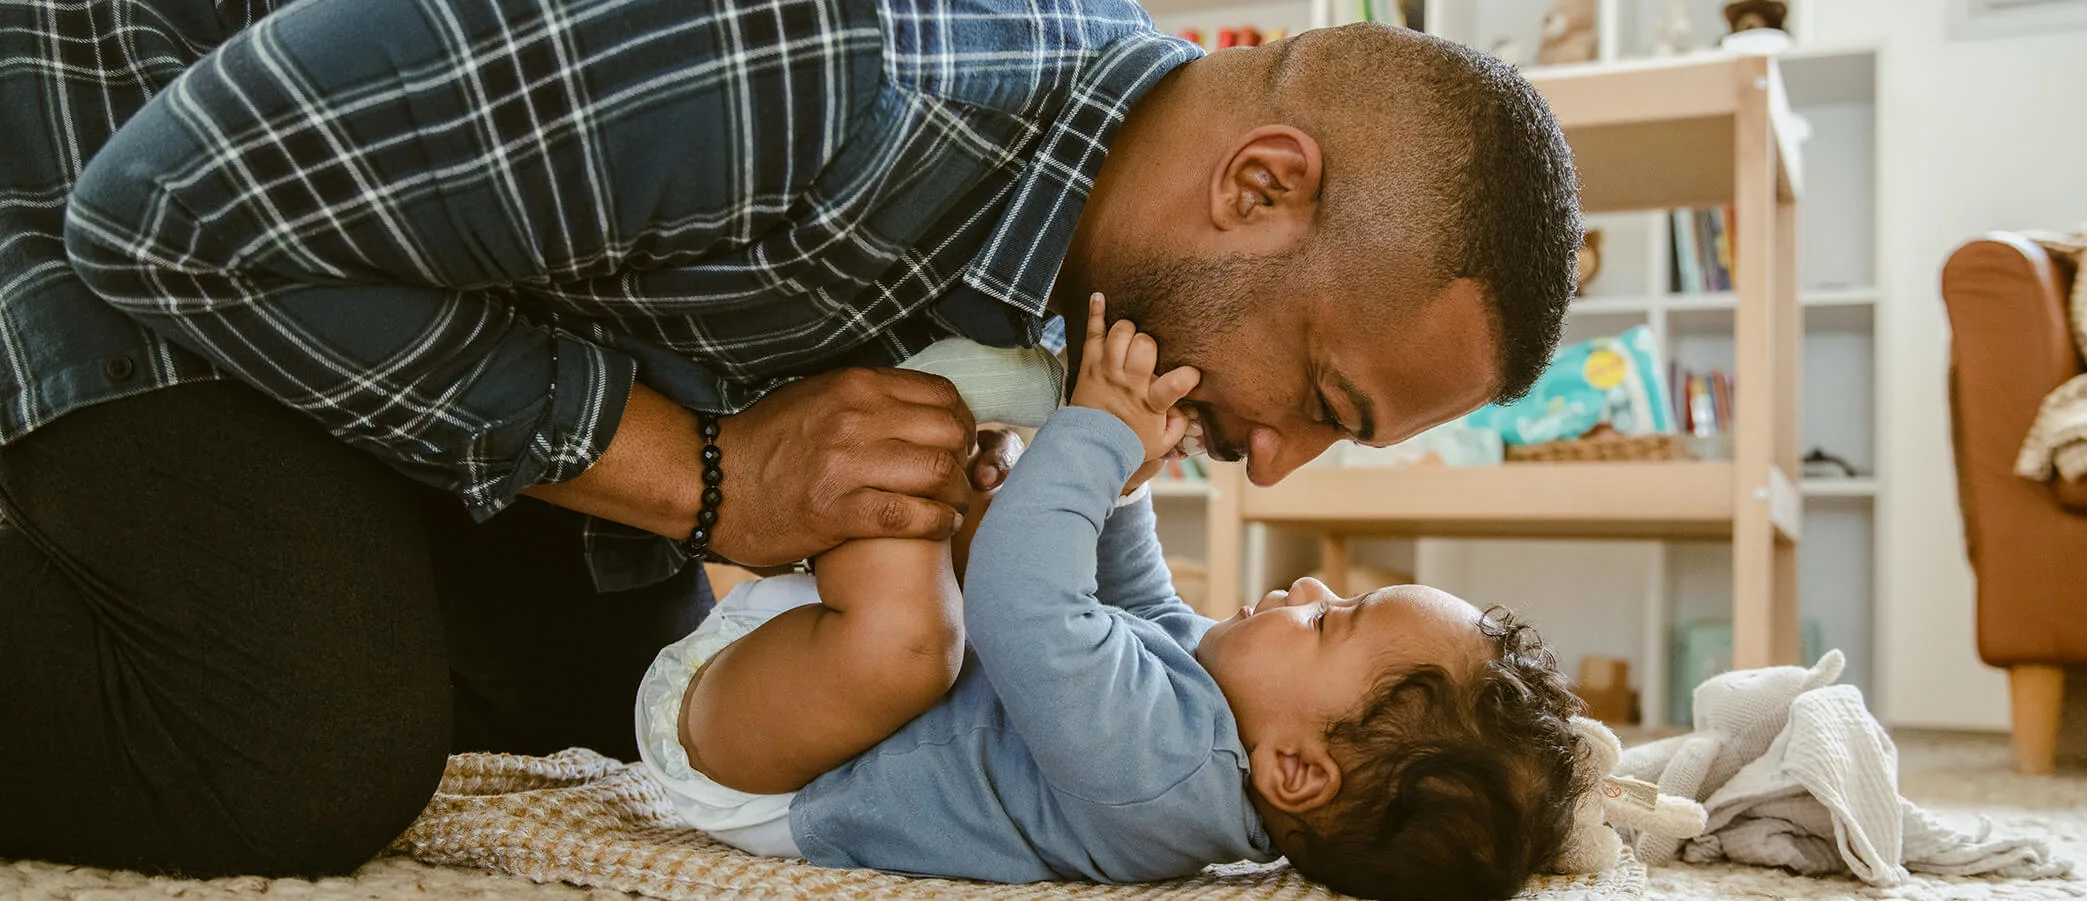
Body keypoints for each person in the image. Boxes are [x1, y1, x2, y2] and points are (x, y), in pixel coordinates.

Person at [0, 0, 1579, 878]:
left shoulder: (1086, 249)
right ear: (1257, 185)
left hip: (401, 259)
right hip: (121, 186)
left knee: (581, 694)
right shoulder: (806, 65)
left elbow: (1094, 604)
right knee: (302, 755)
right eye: (1321, 397)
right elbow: (166, 223)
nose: (1281, 467)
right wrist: (702, 480)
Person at [640, 297, 1590, 901]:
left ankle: (850, 380)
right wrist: (1131, 479)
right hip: (812, 687)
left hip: (761, 767)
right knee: (1004, 497)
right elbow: (1125, 595)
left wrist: (1093, 434)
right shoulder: (1212, 714)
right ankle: (887, 426)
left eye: (1326, 620)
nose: (1305, 586)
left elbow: (1027, 607)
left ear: (1295, 770)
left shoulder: (1164, 773)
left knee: (921, 633)